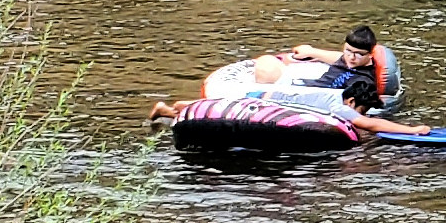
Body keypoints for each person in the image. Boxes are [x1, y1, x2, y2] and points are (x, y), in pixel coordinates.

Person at [147, 80, 430, 137]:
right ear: (353, 103)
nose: (361, 115)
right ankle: (170, 110)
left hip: (257, 94)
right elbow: (370, 125)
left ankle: (170, 108)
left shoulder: (334, 95)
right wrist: (413, 130)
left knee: (203, 109)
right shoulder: (340, 106)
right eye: (362, 110)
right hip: (257, 101)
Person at [245, 25, 380, 93]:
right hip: (306, 87)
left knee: (266, 69)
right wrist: (311, 52)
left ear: (370, 54)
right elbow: (336, 57)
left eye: (358, 54)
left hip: (311, 98)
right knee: (266, 62)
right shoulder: (347, 59)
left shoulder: (363, 82)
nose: (351, 57)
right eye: (348, 51)